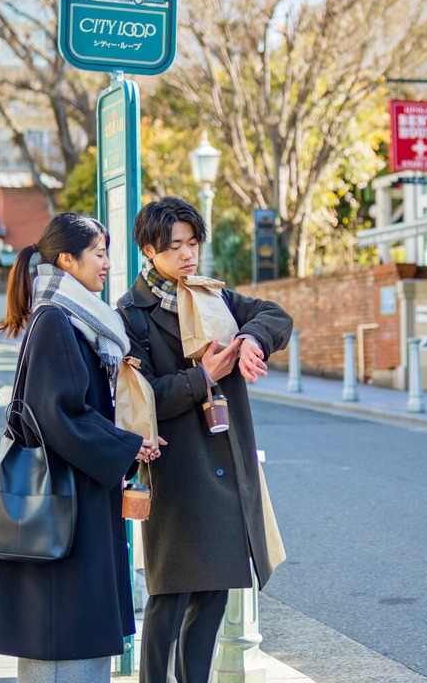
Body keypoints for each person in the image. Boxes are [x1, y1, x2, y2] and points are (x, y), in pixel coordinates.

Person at [115, 197, 293, 683]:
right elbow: (140, 398)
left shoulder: (214, 297)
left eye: (193, 243)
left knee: (213, 594)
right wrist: (203, 378)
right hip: (174, 470)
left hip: (225, 467)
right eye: (176, 247)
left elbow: (276, 315)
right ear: (150, 250)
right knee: (168, 599)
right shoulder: (130, 314)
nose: (188, 255)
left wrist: (253, 340)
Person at [0, 212, 161, 682]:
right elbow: (58, 415)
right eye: (98, 253)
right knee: (65, 634)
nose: (106, 264)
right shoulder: (57, 322)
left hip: (73, 497)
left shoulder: (70, 319)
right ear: (67, 258)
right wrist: (127, 446)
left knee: (66, 633)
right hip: (67, 503)